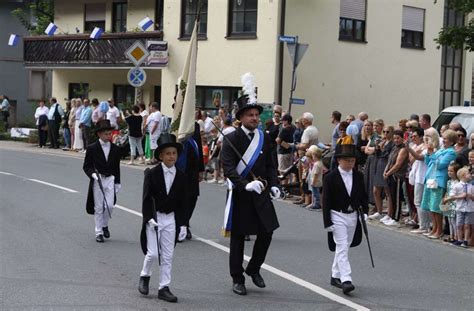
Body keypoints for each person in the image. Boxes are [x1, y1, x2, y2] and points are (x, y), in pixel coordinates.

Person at [220, 93, 280, 296]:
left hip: (261, 192)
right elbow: (228, 168)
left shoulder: (264, 138)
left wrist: (274, 184)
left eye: (256, 115)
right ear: (241, 118)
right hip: (241, 193)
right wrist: (245, 185)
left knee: (267, 230)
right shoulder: (231, 139)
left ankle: (254, 268)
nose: (255, 118)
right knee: (238, 237)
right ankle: (237, 278)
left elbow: (271, 164)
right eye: (250, 115)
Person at [138, 133, 187, 303]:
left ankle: (164, 287)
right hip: (155, 218)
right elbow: (146, 198)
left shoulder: (181, 176)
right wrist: (149, 218)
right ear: (160, 156)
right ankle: (145, 275)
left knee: (168, 255)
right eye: (167, 153)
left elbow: (182, 203)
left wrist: (183, 225)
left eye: (174, 153)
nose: (171, 156)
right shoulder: (152, 174)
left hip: (171, 219)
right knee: (152, 253)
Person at [322, 144, 368, 295]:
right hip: (337, 215)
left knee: (345, 247)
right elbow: (326, 201)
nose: (350, 163)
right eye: (347, 160)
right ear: (339, 160)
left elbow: (363, 195)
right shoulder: (330, 177)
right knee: (341, 245)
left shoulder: (358, 176)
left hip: (353, 215)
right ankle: (346, 279)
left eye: (353, 161)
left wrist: (365, 212)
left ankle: (335, 276)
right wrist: (327, 221)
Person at [82, 120, 122, 243]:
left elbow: (116, 166)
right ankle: (98, 232)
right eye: (105, 134)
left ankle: (105, 224)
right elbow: (87, 166)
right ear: (99, 134)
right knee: (99, 207)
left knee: (109, 205)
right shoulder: (92, 148)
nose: (108, 136)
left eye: (109, 133)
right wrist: (93, 174)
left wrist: (117, 182)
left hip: (110, 178)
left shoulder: (115, 149)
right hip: (98, 180)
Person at [420, 129, 458, 239]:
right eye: (444, 138)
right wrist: (428, 153)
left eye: (446, 139)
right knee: (431, 206)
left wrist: (432, 154)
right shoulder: (441, 150)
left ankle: (439, 230)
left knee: (437, 207)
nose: (444, 140)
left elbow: (440, 165)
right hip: (430, 179)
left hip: (439, 181)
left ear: (451, 141)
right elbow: (428, 162)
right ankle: (434, 229)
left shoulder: (451, 152)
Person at [175, 121, 204, 240]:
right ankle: (181, 225)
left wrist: (201, 168)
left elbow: (199, 145)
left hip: (192, 167)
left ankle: (185, 223)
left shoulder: (195, 125)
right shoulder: (175, 122)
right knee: (179, 198)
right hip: (178, 166)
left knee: (192, 197)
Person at [406, 128, 431, 234]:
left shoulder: (427, 148)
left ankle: (423, 225)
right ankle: (424, 224)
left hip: (423, 177)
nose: (413, 138)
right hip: (418, 176)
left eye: (415, 136)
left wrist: (409, 149)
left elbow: (419, 157)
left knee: (419, 202)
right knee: (419, 202)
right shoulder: (421, 147)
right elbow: (412, 159)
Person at [383, 130, 409, 226]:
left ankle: (396, 218)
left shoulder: (403, 149)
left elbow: (398, 164)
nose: (396, 140)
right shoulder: (394, 147)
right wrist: (385, 171)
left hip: (397, 176)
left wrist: (388, 173)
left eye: (398, 138)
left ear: (402, 138)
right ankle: (392, 215)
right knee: (391, 197)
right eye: (394, 138)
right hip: (390, 175)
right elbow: (390, 161)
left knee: (397, 197)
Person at [446, 167, 473, 248]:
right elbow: (451, 196)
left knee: (467, 225)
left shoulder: (471, 186)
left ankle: (465, 240)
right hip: (460, 208)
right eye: (468, 173)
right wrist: (461, 196)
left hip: (469, 209)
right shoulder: (457, 186)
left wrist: (471, 196)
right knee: (459, 225)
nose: (470, 175)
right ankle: (459, 239)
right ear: (463, 175)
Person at [441, 162, 461, 243]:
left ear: (456, 172)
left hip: (454, 203)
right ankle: (451, 235)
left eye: (451, 171)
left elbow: (455, 194)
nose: (449, 172)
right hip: (447, 202)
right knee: (449, 220)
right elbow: (447, 191)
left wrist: (448, 199)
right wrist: (444, 199)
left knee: (454, 221)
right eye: (448, 171)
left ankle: (456, 236)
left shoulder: (458, 183)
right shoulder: (449, 181)